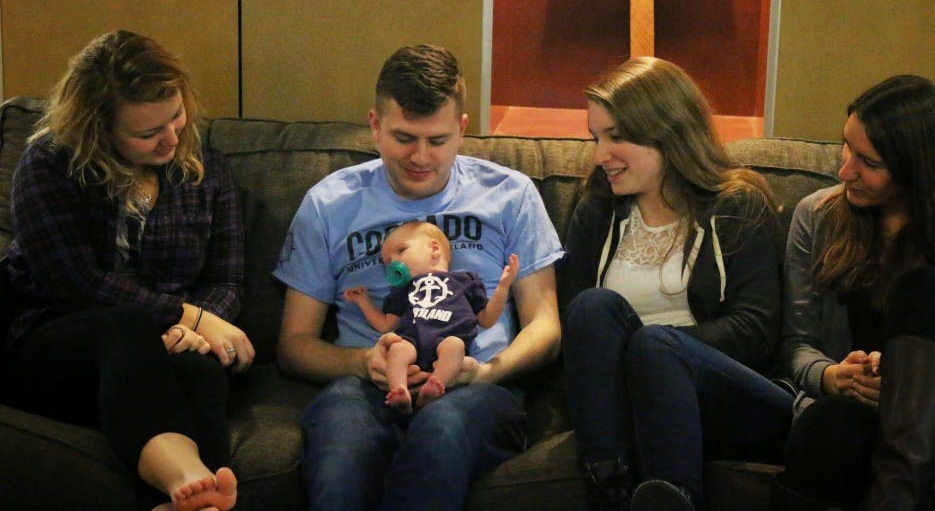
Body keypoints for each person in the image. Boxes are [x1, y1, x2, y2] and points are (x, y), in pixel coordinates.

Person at [273, 44, 563, 510]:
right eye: (404, 137)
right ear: (374, 125)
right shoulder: (329, 204)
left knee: (439, 434)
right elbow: (293, 345)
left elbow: (546, 327)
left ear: (462, 130)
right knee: (341, 460)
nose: (421, 157)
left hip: (478, 387)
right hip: (365, 384)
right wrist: (361, 362)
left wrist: (486, 373)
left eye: (438, 140)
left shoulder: (510, 196)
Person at [0, 30, 253, 511]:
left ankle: (188, 503)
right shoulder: (49, 163)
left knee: (200, 370)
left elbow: (226, 279)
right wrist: (186, 316)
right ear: (98, 129)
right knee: (126, 327)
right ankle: (193, 481)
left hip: (161, 348)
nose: (172, 138)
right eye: (147, 132)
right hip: (47, 342)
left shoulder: (208, 171)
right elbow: (72, 283)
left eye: (176, 116)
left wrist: (195, 331)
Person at [559, 57, 791, 511]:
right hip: (623, 406)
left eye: (616, 136)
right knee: (591, 307)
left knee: (655, 348)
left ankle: (676, 495)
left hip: (730, 398)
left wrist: (655, 350)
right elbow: (581, 337)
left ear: (667, 132)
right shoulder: (595, 213)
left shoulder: (738, 204)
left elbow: (756, 330)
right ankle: (610, 488)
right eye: (596, 137)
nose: (599, 155)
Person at [776, 75, 935, 509]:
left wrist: (901, 366)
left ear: (919, 166)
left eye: (869, 162)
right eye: (846, 146)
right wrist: (832, 375)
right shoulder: (817, 215)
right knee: (828, 422)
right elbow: (796, 344)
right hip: (868, 408)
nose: (845, 171)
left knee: (926, 287)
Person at [344, 220, 520, 413]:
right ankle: (399, 390)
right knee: (397, 349)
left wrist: (503, 288)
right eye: (387, 262)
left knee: (455, 346)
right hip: (412, 339)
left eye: (401, 251)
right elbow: (385, 326)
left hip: (448, 337)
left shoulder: (465, 281)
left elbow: (487, 319)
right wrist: (364, 302)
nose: (393, 263)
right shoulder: (402, 290)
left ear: (434, 249)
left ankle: (437, 385)